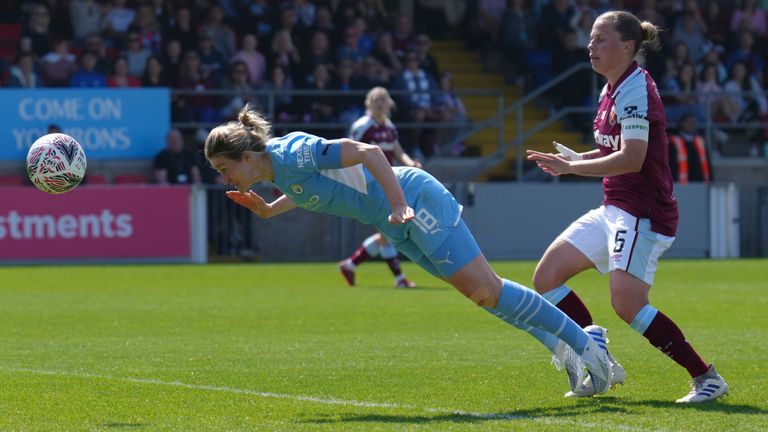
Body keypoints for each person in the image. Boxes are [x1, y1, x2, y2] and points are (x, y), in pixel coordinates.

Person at [204, 104, 615, 396]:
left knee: (488, 288)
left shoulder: (291, 153)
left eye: (225, 169)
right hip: (394, 222)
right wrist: (270, 210)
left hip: (413, 200)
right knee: (482, 296)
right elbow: (315, 191)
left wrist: (400, 202)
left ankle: (585, 346)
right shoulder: (281, 173)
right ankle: (569, 349)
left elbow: (369, 152)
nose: (225, 179)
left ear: (245, 156)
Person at [526, 10, 728, 403]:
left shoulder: (636, 88)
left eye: (601, 39)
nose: (591, 46)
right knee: (547, 277)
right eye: (591, 39)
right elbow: (611, 150)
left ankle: (706, 377)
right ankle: (601, 359)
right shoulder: (611, 88)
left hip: (643, 212)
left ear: (628, 46)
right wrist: (576, 159)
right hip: (615, 206)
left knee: (627, 304)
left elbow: (632, 158)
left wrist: (572, 168)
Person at [338, 87, 421, 289]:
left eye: (383, 99)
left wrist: (411, 163)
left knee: (386, 232)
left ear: (389, 103)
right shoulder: (363, 125)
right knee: (388, 230)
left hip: (385, 182)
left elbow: (398, 150)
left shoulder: (389, 126)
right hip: (369, 183)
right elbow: (349, 151)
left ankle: (351, 264)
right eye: (375, 99)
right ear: (368, 103)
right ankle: (399, 278)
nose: (379, 103)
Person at [668, 114, 712, 183]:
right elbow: (671, 164)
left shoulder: (700, 141)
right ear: (682, 124)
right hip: (680, 182)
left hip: (699, 181)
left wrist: (711, 179)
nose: (691, 125)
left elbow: (707, 164)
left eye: (693, 123)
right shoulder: (674, 141)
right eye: (688, 122)